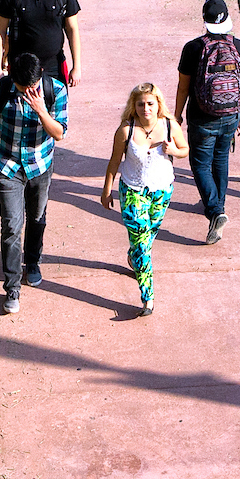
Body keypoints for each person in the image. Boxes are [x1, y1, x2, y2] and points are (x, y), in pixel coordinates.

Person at [0, 52, 68, 314]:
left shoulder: (56, 90)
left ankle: (33, 261)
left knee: (37, 218)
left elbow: (59, 133)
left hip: (40, 165)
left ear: (40, 76)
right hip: (8, 166)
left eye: (30, 87)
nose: (26, 92)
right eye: (21, 88)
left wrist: (41, 110)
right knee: (11, 226)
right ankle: (12, 286)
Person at [101, 82, 189, 315]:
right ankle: (147, 298)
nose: (145, 108)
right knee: (142, 244)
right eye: (140, 104)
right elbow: (114, 161)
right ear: (134, 106)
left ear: (158, 104)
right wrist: (106, 190)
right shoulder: (125, 130)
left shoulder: (170, 125)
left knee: (147, 237)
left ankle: (133, 256)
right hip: (132, 191)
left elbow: (184, 149)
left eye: (150, 103)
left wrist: (173, 151)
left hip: (162, 191)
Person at [175, 0, 240, 243]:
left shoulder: (193, 48)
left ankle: (215, 211)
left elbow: (183, 87)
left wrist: (176, 115)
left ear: (204, 20)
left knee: (200, 165)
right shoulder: (238, 46)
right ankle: (219, 205)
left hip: (202, 117)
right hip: (230, 115)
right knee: (221, 160)